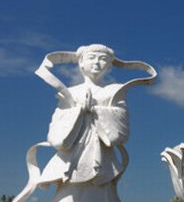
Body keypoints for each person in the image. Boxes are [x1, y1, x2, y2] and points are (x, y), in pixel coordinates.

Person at [15, 44, 156, 202]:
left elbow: (121, 131)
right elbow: (55, 133)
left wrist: (96, 110)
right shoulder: (70, 92)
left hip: (102, 160)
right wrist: (79, 111)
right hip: (71, 161)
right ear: (81, 62)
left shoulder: (114, 91)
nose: (96, 63)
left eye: (103, 59)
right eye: (91, 58)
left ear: (109, 65)